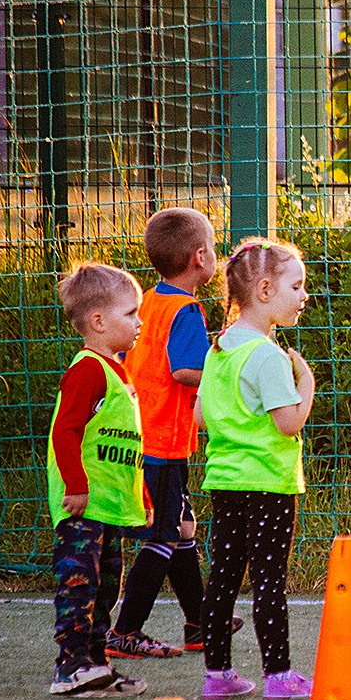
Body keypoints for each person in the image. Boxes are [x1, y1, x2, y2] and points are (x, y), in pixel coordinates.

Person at [108, 206, 239, 658]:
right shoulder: (186, 309)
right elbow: (186, 370)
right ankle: (124, 631)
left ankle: (199, 623)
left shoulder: (148, 300)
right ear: (200, 257)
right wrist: (228, 370)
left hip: (142, 435)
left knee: (183, 527)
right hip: (162, 441)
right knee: (163, 535)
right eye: (215, 248)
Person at [195, 238, 315, 700]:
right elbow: (288, 424)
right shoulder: (267, 355)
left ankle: (217, 673)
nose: (304, 295)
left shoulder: (220, 348)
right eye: (297, 285)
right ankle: (279, 675)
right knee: (269, 580)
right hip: (267, 483)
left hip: (225, 481)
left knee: (223, 577)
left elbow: (202, 415)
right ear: (264, 289)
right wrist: (305, 385)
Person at [44, 262, 149, 698]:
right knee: (79, 585)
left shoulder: (120, 374)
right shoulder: (88, 370)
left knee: (106, 587)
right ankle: (70, 667)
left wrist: (140, 495)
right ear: (99, 321)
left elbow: (130, 444)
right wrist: (75, 485)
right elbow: (64, 431)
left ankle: (97, 665)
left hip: (111, 505)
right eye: (130, 314)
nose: (139, 322)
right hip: (82, 507)